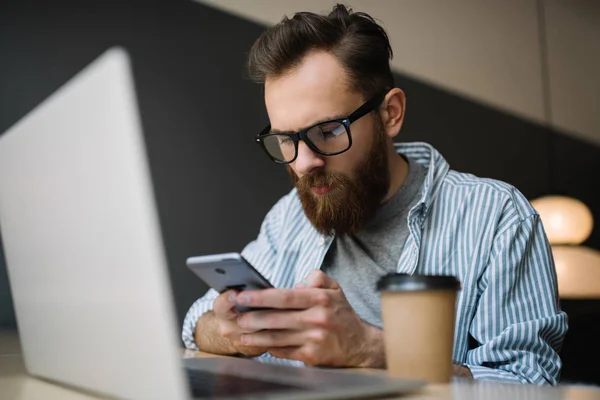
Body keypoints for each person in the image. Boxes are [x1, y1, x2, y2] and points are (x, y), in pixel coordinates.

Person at [182, 4, 567, 384]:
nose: (303, 164)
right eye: (286, 139)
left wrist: (370, 349)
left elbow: (526, 385)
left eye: (328, 131)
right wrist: (238, 333)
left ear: (391, 114)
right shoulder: (289, 218)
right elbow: (197, 324)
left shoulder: (497, 218)